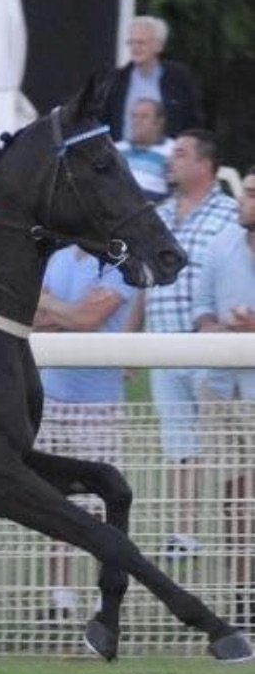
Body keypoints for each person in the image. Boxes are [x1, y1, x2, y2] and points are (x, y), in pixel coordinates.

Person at [137, 129, 239, 560]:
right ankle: (185, 535)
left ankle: (238, 536)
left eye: (180, 154)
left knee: (226, 449)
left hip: (213, 347)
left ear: (205, 165)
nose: (170, 160)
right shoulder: (159, 214)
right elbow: (144, 285)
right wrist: (131, 340)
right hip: (163, 344)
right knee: (179, 445)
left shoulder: (232, 214)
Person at [34, 245, 139, 619]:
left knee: (102, 504)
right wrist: (70, 312)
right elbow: (34, 318)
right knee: (52, 499)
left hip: (99, 403)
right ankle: (60, 596)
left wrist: (52, 304)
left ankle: (105, 597)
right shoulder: (57, 257)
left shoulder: (117, 264)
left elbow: (88, 319)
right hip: (51, 398)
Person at [194, 168, 255, 624]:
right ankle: (242, 594)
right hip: (220, 388)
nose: (243, 200)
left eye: (251, 194)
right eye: (246, 192)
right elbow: (201, 311)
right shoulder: (220, 244)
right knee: (235, 497)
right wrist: (216, 330)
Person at [103, 15, 203, 143]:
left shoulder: (179, 77)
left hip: (168, 153)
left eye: (141, 43)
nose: (135, 48)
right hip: (122, 152)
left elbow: (194, 120)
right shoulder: (115, 80)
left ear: (159, 46)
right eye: (131, 43)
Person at [116, 97, 175, 203]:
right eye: (134, 116)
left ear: (159, 122)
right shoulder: (117, 149)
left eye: (144, 117)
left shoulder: (173, 150)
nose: (136, 121)